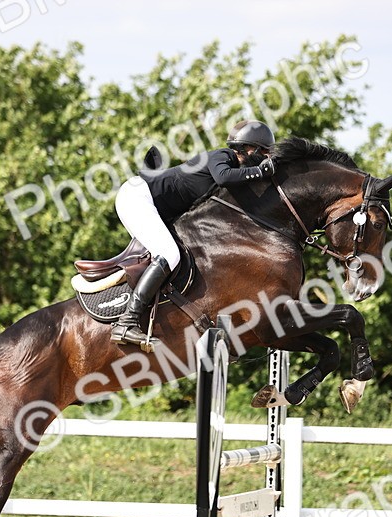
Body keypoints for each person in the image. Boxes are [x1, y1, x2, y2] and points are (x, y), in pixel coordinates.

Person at [110, 119, 277, 347]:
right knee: (169, 254)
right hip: (137, 197)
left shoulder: (234, 171)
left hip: (148, 204)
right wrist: (259, 172)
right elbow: (223, 177)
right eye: (264, 151)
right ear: (249, 148)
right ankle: (126, 322)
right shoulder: (222, 156)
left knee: (178, 257)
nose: (267, 157)